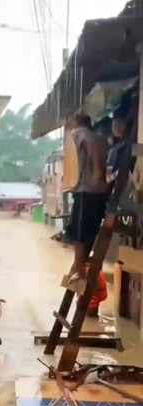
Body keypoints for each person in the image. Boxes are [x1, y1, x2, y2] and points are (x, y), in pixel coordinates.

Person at [65, 114, 110, 291]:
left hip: (87, 190)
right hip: (93, 190)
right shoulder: (98, 137)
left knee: (79, 233)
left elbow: (93, 155)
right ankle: (79, 269)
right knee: (84, 232)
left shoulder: (80, 134)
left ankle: (80, 271)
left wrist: (98, 172)